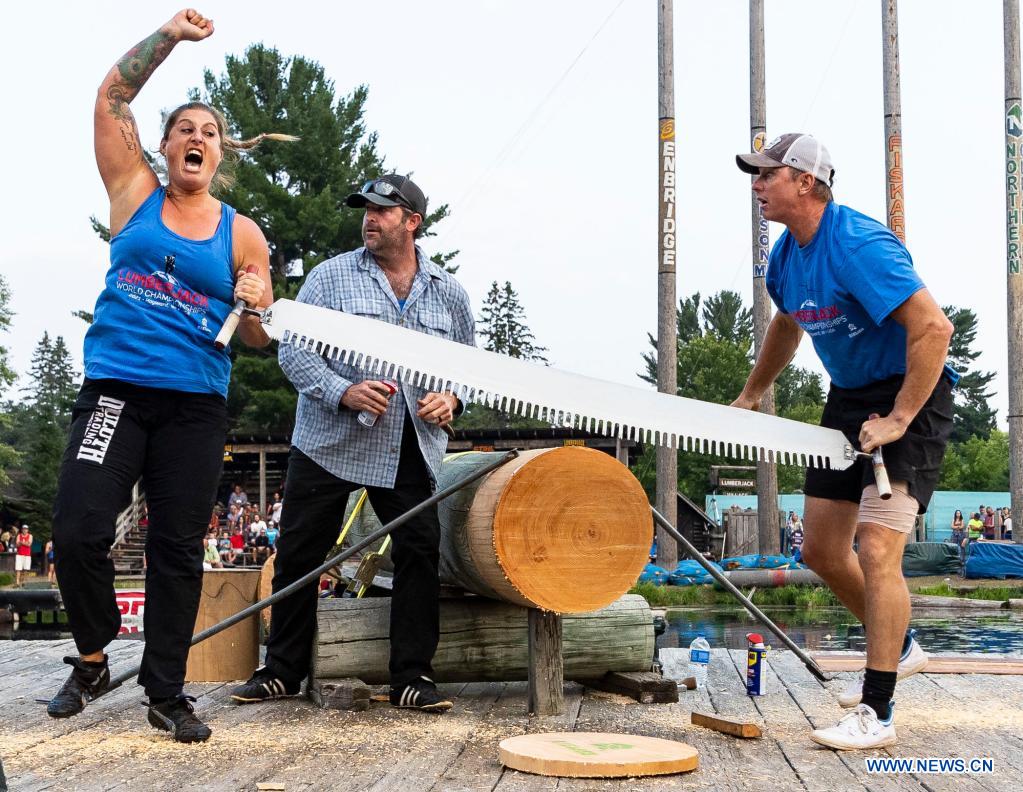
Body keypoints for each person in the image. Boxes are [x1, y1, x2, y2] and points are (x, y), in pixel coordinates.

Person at [44, 10, 291, 743]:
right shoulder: (134, 193)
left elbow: (254, 339)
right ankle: (92, 657)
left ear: (220, 155)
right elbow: (110, 98)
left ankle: (166, 691)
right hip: (117, 389)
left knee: (178, 551)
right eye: (185, 128)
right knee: (79, 527)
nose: (196, 138)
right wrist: (170, 38)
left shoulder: (241, 232)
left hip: (193, 408)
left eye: (209, 133)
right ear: (163, 144)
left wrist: (256, 305)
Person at [733, 133, 955, 750]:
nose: (756, 185)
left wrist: (901, 417)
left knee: (878, 548)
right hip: (850, 395)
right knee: (823, 552)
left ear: (805, 182)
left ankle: (876, 712)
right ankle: (902, 645)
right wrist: (753, 394)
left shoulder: (857, 244)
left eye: (766, 175)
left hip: (913, 391)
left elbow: (934, 328)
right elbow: (787, 324)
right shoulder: (786, 256)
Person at [230, 174, 474, 713]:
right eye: (365, 209)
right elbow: (292, 353)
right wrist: (344, 391)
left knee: (418, 550)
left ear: (412, 222)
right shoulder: (330, 278)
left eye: (382, 210)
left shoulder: (449, 294)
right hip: (328, 438)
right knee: (299, 554)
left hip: (408, 441)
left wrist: (451, 400)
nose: (369, 217)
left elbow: (466, 370)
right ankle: (283, 671)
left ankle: (413, 677)